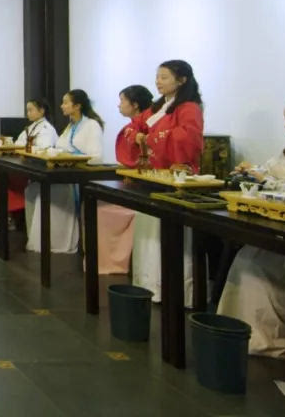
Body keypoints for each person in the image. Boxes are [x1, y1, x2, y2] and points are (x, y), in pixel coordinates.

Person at [216, 96, 285, 357]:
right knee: (246, 260)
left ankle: (267, 337)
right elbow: (269, 170)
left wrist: (265, 179)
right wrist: (252, 171)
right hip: (277, 223)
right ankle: (244, 332)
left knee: (256, 267)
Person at [130, 60, 204, 304]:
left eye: (164, 77)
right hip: (152, 176)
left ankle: (175, 291)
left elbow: (188, 139)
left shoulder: (189, 107)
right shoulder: (158, 107)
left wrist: (150, 138)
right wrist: (138, 135)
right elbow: (134, 126)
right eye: (157, 77)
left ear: (181, 80)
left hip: (175, 178)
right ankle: (148, 285)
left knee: (169, 237)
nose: (158, 82)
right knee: (148, 234)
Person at [26, 89, 104, 254]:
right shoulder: (71, 125)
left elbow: (96, 157)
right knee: (33, 191)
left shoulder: (91, 125)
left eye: (65, 102)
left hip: (75, 176)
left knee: (46, 193)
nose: (62, 106)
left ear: (77, 106)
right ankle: (45, 240)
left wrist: (69, 156)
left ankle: (58, 241)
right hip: (62, 173)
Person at [94, 85, 155, 274]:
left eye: (122, 101)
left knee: (101, 211)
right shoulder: (134, 126)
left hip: (145, 185)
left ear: (135, 104)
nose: (118, 105)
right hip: (132, 178)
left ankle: (113, 263)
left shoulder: (148, 125)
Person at [0, 98, 58, 230]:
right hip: (26, 164)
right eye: (27, 110)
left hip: (37, 168)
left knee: (8, 179)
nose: (28, 113)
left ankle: (9, 216)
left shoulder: (47, 129)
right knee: (3, 176)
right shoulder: (31, 127)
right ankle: (5, 215)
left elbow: (44, 149)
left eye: (31, 110)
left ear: (41, 111)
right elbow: (19, 142)